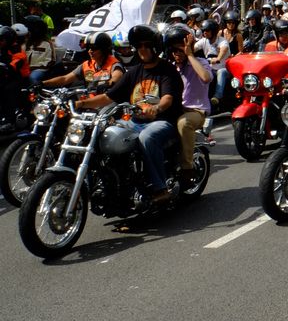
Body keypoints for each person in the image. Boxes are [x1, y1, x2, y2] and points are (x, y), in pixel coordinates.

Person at [76, 24, 184, 203]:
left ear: (154, 47)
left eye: (146, 45)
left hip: (162, 121)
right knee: (103, 135)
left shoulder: (167, 70)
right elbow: (108, 97)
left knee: (147, 138)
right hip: (134, 122)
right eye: (139, 46)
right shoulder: (134, 71)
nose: (142, 49)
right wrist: (81, 103)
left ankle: (161, 187)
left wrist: (155, 108)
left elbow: (167, 99)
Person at [164, 26, 212, 184]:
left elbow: (206, 78)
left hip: (196, 111)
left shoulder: (200, 63)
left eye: (180, 50)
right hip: (174, 109)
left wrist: (190, 54)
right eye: (174, 51)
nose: (177, 54)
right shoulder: (170, 67)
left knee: (184, 123)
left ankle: (187, 167)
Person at [43, 31, 125, 93]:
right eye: (88, 48)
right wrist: (43, 83)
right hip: (88, 103)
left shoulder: (114, 64)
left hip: (108, 104)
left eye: (94, 48)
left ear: (104, 49)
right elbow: (65, 79)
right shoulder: (86, 65)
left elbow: (116, 77)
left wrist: (107, 84)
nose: (90, 51)